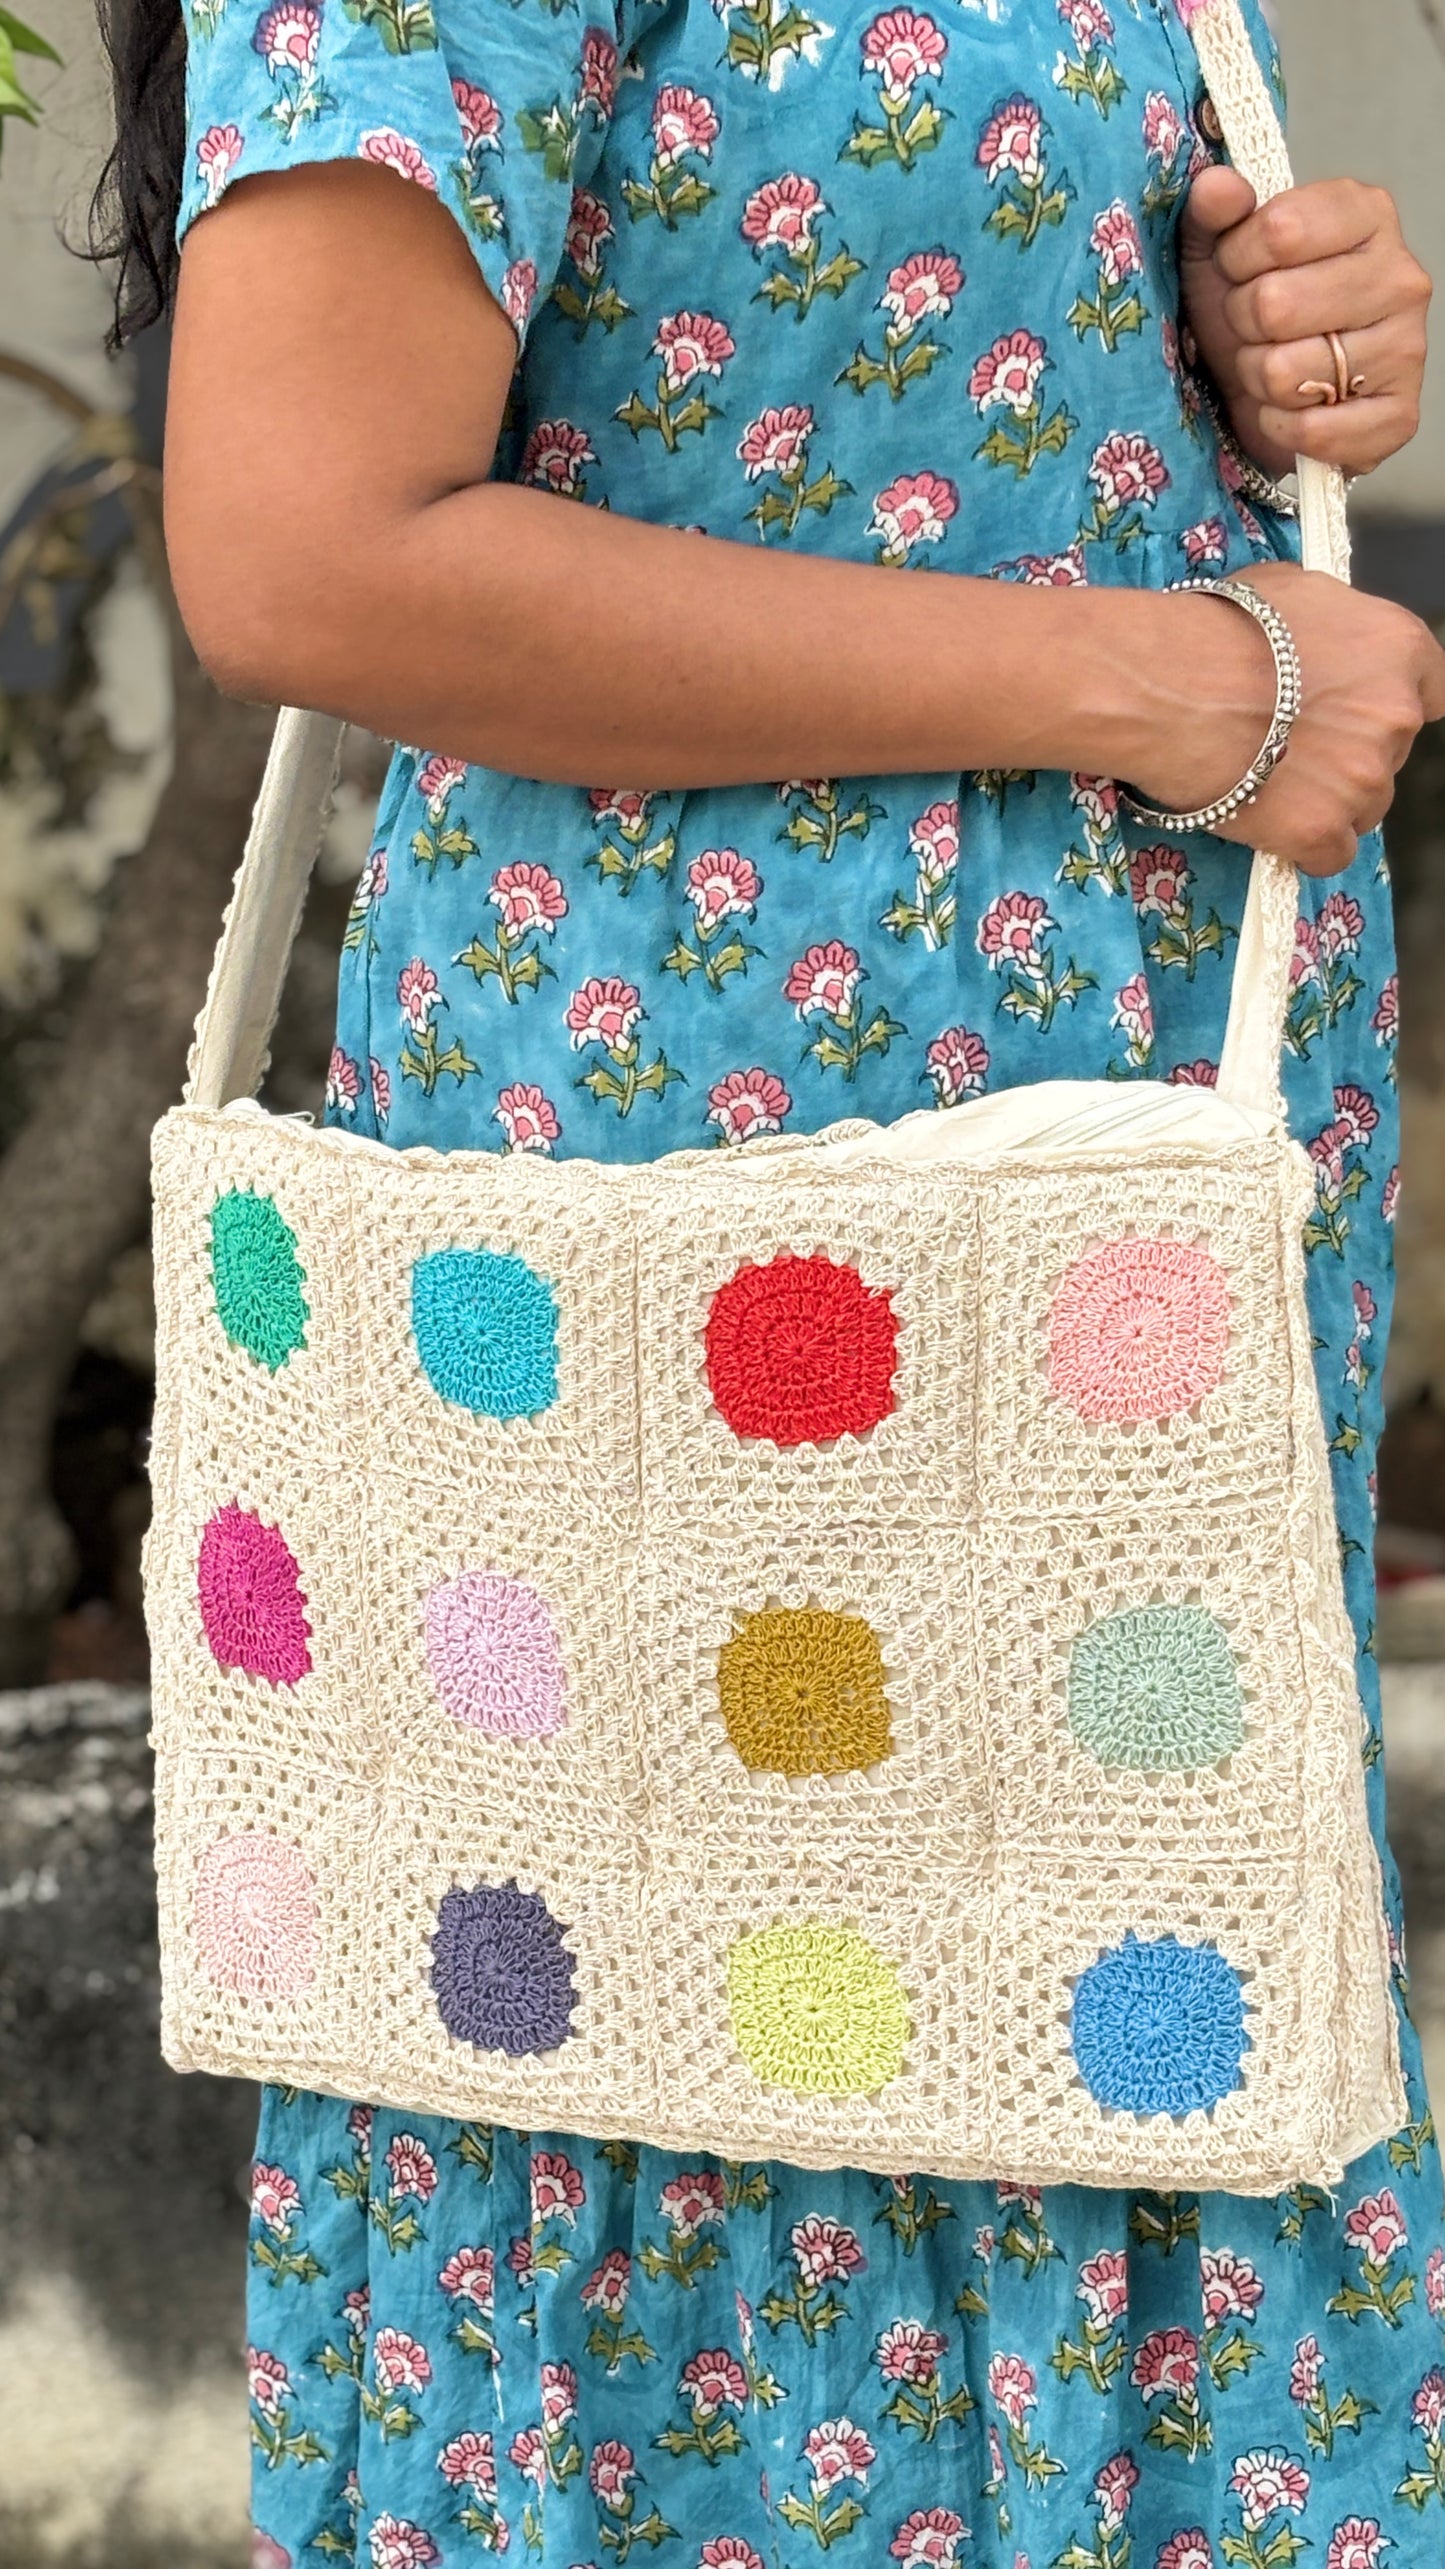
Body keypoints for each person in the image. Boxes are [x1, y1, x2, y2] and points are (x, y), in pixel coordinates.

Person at [94, 0, 1445, 2556]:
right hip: (705, 1201)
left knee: (1139, 1985)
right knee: (697, 2024)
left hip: (1106, 1191)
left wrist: (1252, 322)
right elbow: (298, 537)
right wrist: (1163, 675)